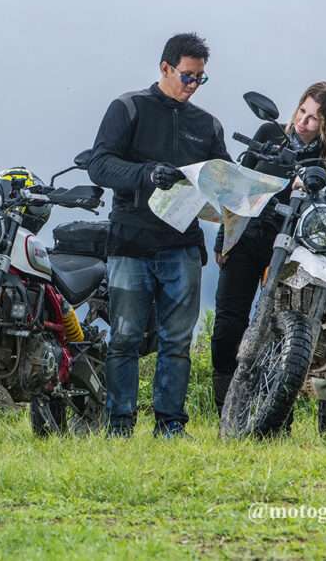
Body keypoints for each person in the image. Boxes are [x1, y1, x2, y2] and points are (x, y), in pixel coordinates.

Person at [88, 32, 230, 438]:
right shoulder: (128, 107)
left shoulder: (207, 125)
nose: (192, 85)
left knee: (177, 340)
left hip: (182, 244)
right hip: (130, 241)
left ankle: (170, 424)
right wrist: (146, 174)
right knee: (125, 336)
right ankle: (119, 425)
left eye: (200, 79)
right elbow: (99, 166)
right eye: (187, 76)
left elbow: (224, 178)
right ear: (165, 67)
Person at [211, 82, 326, 418]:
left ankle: (272, 413)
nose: (304, 122)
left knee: (280, 325)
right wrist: (222, 238)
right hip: (248, 236)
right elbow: (240, 186)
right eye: (303, 111)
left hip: (292, 249)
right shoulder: (270, 134)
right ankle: (224, 407)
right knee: (229, 322)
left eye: (315, 118)